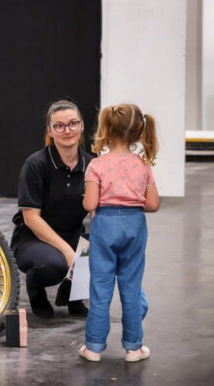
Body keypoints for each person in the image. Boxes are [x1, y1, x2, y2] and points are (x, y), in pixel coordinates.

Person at [78, 104, 159, 362]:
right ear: (137, 134)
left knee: (100, 288)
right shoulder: (143, 165)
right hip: (135, 225)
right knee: (131, 287)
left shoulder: (97, 165)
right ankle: (134, 348)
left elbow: (90, 204)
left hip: (105, 226)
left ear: (107, 129)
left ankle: (93, 347)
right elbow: (153, 204)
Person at [11, 99, 93, 318]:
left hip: (72, 234)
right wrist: (68, 252)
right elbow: (31, 218)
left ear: (82, 126)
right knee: (54, 265)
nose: (67, 130)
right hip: (33, 238)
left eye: (73, 123)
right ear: (50, 130)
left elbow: (97, 211)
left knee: (99, 252)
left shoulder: (92, 165)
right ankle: (35, 289)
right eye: (59, 126)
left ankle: (74, 297)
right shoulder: (36, 164)